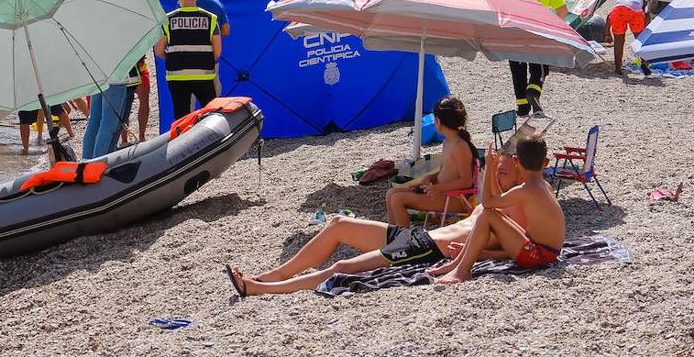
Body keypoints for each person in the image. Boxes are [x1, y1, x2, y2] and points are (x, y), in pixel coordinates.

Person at [227, 155, 525, 296]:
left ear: (521, 172)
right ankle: (273, 274)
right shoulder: (496, 199)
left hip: (428, 249)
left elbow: (518, 251)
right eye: (496, 171)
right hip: (418, 236)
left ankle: (261, 289)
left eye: (504, 173)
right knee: (338, 223)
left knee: (342, 267)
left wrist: (480, 255)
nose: (497, 177)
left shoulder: (519, 208)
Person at [430, 135, 565, 284]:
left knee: (486, 215)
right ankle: (457, 265)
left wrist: (489, 166)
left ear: (515, 162)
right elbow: (498, 204)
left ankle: (462, 271)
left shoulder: (525, 190)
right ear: (546, 162)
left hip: (537, 256)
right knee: (491, 214)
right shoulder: (545, 186)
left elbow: (488, 203)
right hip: (547, 253)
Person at [385, 96, 479, 227]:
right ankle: (394, 237)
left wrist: (436, 188)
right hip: (441, 193)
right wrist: (429, 178)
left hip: (455, 199)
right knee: (391, 194)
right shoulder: (448, 141)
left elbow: (466, 181)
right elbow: (446, 171)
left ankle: (404, 241)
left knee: (398, 199)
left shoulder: (460, 146)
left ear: (438, 121)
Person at [505, 0, 568, 116]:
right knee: (540, 68)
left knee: (518, 71)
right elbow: (563, 10)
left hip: (516, 32)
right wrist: (552, 25)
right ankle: (533, 89)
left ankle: (522, 107)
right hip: (538, 32)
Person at [154, 0, 221, 117]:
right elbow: (217, 51)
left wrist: (173, 58)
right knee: (210, 114)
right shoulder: (211, 19)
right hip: (204, 74)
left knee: (181, 116)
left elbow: (158, 50)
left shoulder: (168, 19)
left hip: (177, 76)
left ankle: (182, 138)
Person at [83, 59, 139, 159]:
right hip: (116, 79)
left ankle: (86, 162)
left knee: (94, 122)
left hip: (98, 77)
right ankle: (98, 163)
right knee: (109, 126)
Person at [607, 0, 650, 75]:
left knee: (618, 43)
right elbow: (647, 13)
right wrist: (645, 30)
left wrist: (607, 32)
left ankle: (618, 69)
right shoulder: (645, 1)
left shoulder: (621, 0)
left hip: (618, 11)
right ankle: (644, 63)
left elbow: (609, 16)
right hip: (635, 12)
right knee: (640, 41)